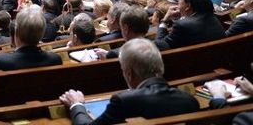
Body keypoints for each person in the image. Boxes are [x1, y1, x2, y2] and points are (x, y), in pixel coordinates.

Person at [59, 38, 199, 124]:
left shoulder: (123, 101)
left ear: (129, 73)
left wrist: (76, 104)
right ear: (161, 67)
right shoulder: (189, 100)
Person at [156, 0, 225, 50]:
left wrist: (164, 20)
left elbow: (160, 46)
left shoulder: (182, 25)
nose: (178, 2)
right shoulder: (214, 18)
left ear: (188, 6)